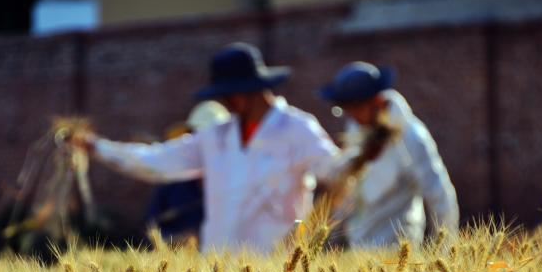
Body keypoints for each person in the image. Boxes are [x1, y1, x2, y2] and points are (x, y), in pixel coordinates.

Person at [76, 43, 386, 252]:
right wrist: (97, 147)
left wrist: (363, 154)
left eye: (228, 94)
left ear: (247, 92)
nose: (223, 101)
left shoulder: (297, 129)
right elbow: (157, 161)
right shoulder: (216, 137)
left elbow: (334, 173)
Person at [319, 62, 459, 246]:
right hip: (358, 250)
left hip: (397, 251)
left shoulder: (412, 138)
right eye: (345, 109)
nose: (350, 116)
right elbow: (354, 188)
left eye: (355, 108)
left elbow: (439, 196)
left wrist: (444, 251)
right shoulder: (358, 128)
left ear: (376, 101)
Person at [144, 101, 230, 245]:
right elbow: (151, 228)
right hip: (178, 264)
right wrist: (176, 241)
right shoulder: (171, 184)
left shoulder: (238, 184)